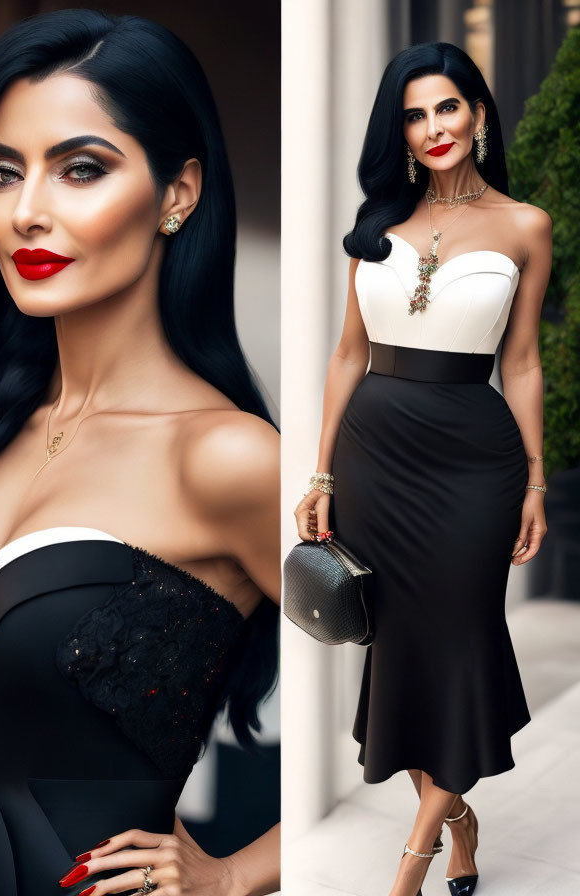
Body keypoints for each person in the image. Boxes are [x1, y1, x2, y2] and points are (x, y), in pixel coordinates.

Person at [0, 10, 280, 896]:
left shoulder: (225, 459)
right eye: (1, 174)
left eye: (81, 169)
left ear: (178, 193)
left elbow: (420, 699)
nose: (27, 212)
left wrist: (235, 875)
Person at [294, 41, 550, 896]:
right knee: (396, 647)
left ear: (478, 114)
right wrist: (321, 474)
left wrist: (537, 481)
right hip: (375, 455)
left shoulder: (524, 225)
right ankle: (458, 822)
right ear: (398, 130)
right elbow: (344, 356)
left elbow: (520, 363)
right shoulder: (377, 226)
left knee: (464, 638)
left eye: (449, 107)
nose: (434, 126)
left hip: (476, 462)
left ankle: (412, 862)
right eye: (415, 113)